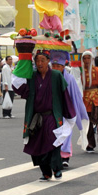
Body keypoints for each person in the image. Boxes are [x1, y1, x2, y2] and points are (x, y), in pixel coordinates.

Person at [12, 49, 76, 181]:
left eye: (43, 60)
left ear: (48, 61)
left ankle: (57, 168)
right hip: (36, 117)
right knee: (37, 145)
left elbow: (64, 95)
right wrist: (23, 62)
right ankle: (46, 172)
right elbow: (20, 88)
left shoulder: (56, 76)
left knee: (52, 142)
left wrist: (69, 114)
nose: (40, 63)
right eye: (37, 60)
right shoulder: (32, 76)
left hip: (51, 116)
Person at [50, 50, 89, 168]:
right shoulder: (48, 77)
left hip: (65, 110)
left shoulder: (70, 79)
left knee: (66, 133)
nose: (56, 68)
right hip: (51, 111)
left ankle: (65, 156)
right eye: (54, 66)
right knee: (52, 134)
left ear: (63, 67)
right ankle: (54, 156)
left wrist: (75, 111)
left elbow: (76, 96)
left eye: (58, 66)